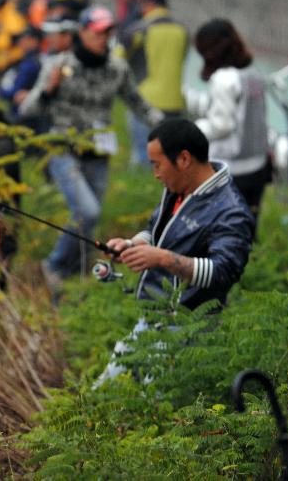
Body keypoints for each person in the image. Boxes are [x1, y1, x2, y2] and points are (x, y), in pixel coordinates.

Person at [18, 6, 161, 301]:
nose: (104, 37)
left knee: (87, 219)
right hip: (63, 148)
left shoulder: (117, 68)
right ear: (81, 33)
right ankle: (55, 266)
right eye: (98, 31)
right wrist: (49, 88)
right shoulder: (59, 65)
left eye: (108, 31)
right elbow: (28, 108)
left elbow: (139, 104)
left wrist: (171, 128)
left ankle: (76, 280)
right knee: (88, 211)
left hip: (99, 151)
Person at [96, 118, 254, 385]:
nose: (155, 173)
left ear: (183, 159)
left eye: (157, 165)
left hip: (189, 331)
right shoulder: (179, 189)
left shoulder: (231, 211)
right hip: (154, 319)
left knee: (151, 407)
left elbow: (224, 271)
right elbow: (155, 232)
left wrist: (162, 258)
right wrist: (131, 245)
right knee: (103, 392)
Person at [184, 18, 272, 220]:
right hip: (257, 164)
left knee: (224, 228)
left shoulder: (224, 79)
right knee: (248, 226)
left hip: (231, 168)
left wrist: (193, 129)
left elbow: (221, 125)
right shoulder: (253, 74)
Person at [117, 0, 190, 166]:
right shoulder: (183, 31)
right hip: (175, 102)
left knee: (144, 156)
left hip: (145, 101)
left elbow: (117, 60)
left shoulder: (139, 30)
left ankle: (142, 191)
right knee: (171, 159)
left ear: (148, 5)